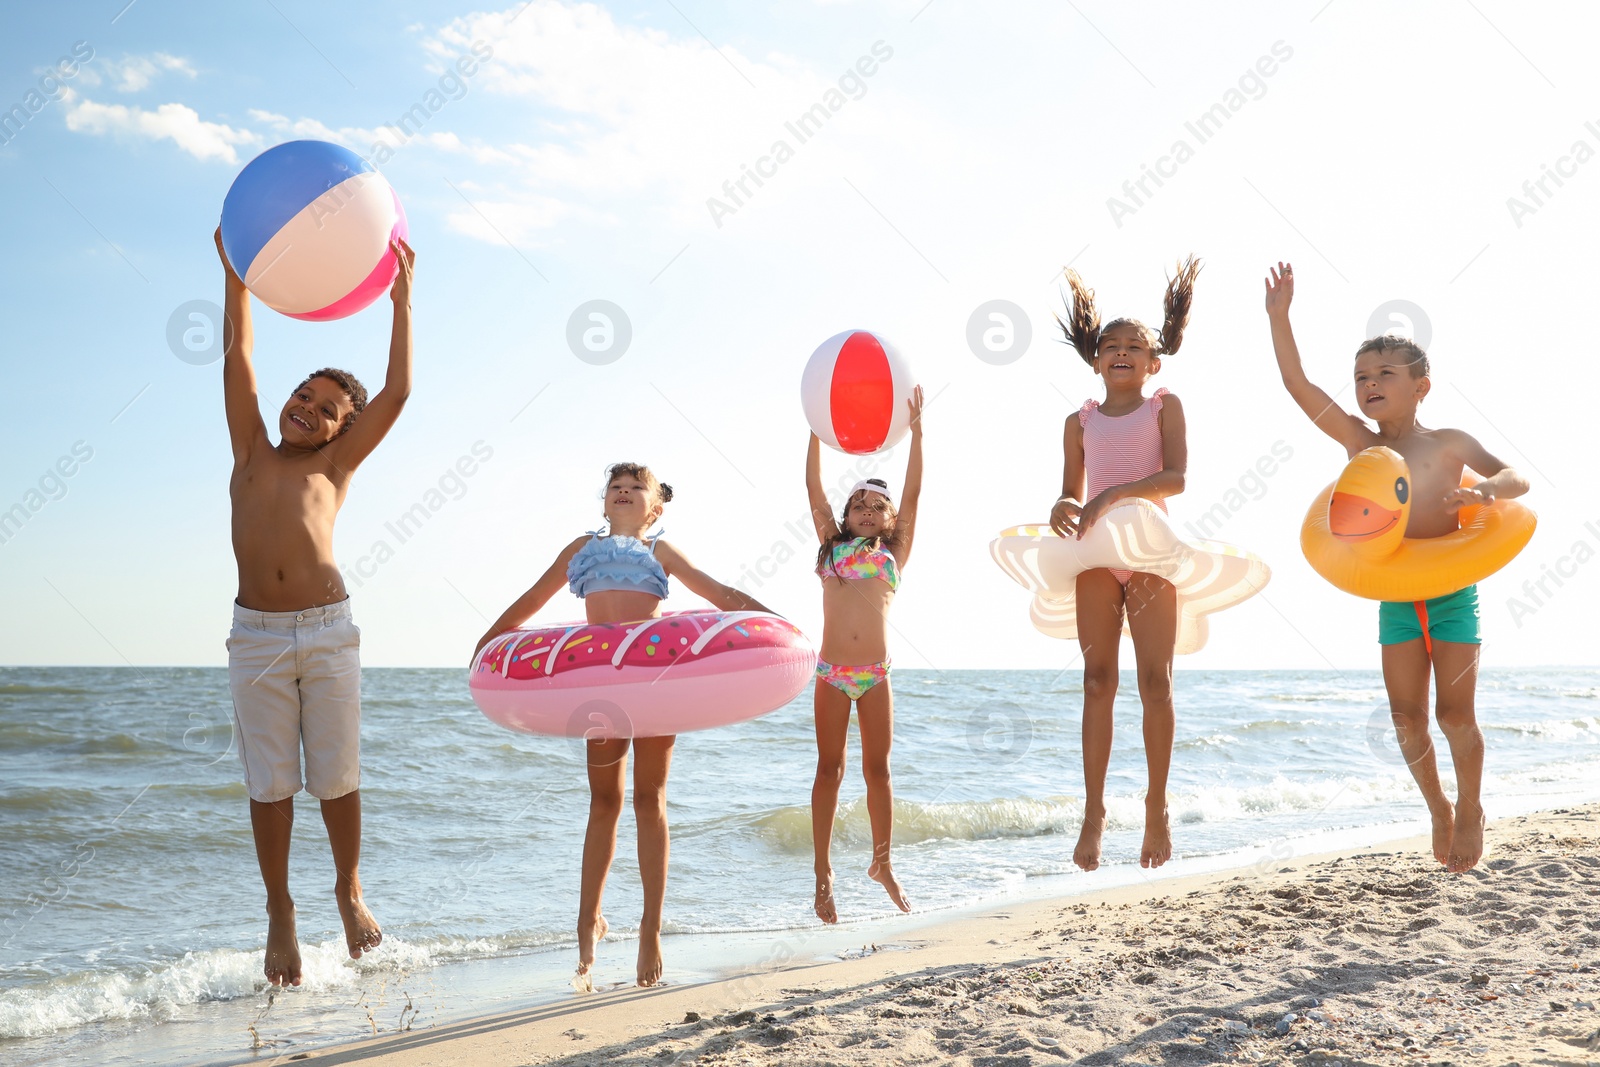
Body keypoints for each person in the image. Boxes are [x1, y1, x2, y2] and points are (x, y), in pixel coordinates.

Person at [1264, 261, 1528, 872]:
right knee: (1407, 721)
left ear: (1422, 385)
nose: (1370, 383)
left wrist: (1486, 493)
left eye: (1386, 373)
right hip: (1396, 596)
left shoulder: (1449, 444)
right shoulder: (1364, 446)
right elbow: (1297, 385)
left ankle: (1471, 807)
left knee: (1453, 714)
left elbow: (1516, 477)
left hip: (1453, 592)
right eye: (1361, 376)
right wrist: (1281, 318)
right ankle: (1436, 806)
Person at [474, 465, 772, 988]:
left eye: (638, 487)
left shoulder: (661, 551)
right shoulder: (581, 547)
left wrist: (773, 622)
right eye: (617, 487)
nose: (626, 491)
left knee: (649, 798)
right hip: (600, 683)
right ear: (604, 503)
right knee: (605, 800)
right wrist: (492, 637)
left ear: (655, 508)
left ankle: (650, 928)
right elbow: (534, 597)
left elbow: (718, 593)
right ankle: (588, 918)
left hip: (655, 678)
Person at [215, 227, 415, 987]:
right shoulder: (249, 450)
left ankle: (349, 888)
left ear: (343, 431)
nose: (306, 407)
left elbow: (396, 394)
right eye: (304, 394)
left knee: (336, 774)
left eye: (327, 408)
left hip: (328, 633)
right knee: (271, 783)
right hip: (256, 635)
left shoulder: (337, 464)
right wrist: (235, 277)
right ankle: (279, 908)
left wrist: (401, 301)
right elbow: (240, 356)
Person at [1049, 258, 1201, 872]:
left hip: (1149, 549)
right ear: (1094, 359)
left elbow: (1177, 478)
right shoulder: (1076, 421)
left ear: (1152, 362)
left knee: (1155, 682)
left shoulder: (1164, 407)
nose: (1121, 353)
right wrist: (1066, 502)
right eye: (1110, 346)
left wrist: (1110, 495)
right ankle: (1093, 813)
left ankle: (1157, 806)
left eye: (1134, 346)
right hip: (1093, 554)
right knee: (1096, 682)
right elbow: (1067, 489)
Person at [806, 387, 924, 923]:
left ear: (890, 520)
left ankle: (883, 863)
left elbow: (916, 495)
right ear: (847, 514)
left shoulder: (893, 554)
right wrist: (816, 429)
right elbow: (812, 488)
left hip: (875, 676)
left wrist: (918, 434)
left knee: (879, 772)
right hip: (832, 673)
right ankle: (823, 873)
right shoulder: (831, 549)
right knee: (829, 770)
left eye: (879, 507)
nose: (867, 510)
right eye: (859, 504)